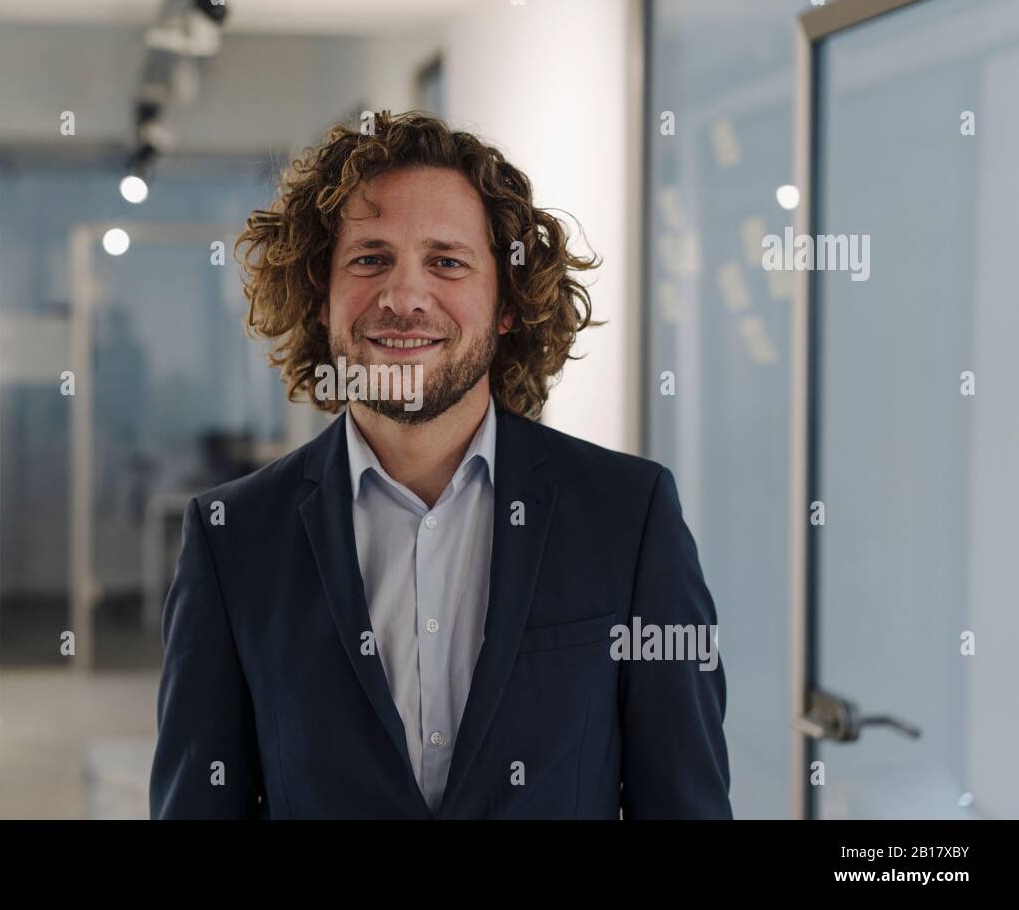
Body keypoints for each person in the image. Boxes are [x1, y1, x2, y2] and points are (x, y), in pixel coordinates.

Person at [149, 110, 731, 818]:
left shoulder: (629, 516)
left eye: (447, 262)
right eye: (369, 259)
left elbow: (686, 803)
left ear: (506, 303)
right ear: (320, 296)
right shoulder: (231, 537)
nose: (404, 297)